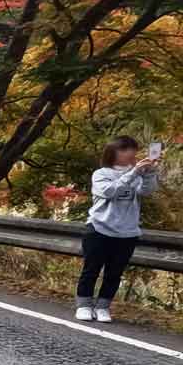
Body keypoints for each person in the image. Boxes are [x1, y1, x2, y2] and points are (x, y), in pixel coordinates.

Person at [75, 136, 159, 323]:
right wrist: (134, 173)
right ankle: (84, 305)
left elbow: (146, 191)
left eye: (133, 149)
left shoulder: (137, 173)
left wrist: (149, 173)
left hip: (127, 232)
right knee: (91, 270)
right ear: (113, 152)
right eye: (125, 149)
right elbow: (110, 192)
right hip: (99, 228)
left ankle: (103, 307)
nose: (130, 153)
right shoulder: (101, 174)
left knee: (115, 273)